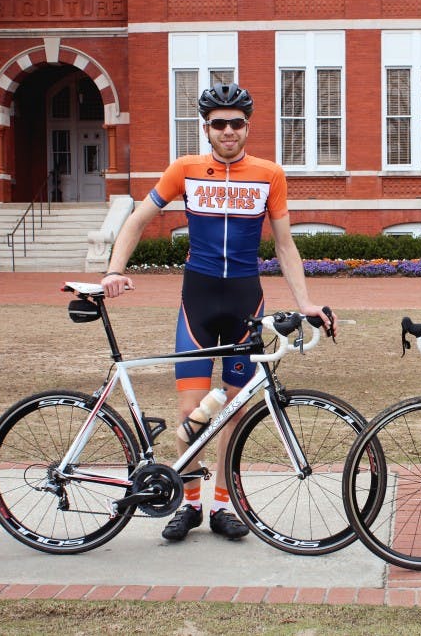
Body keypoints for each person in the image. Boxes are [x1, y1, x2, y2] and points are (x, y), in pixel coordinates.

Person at [101, 82, 335, 542]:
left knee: (231, 412)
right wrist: (114, 270)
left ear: (248, 126)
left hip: (245, 305)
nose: (228, 131)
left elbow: (285, 244)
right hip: (198, 305)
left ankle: (224, 505)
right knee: (192, 410)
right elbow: (137, 219)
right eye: (218, 124)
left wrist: (305, 301)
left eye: (236, 123)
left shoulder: (269, 174)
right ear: (205, 128)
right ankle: (188, 503)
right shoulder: (184, 170)